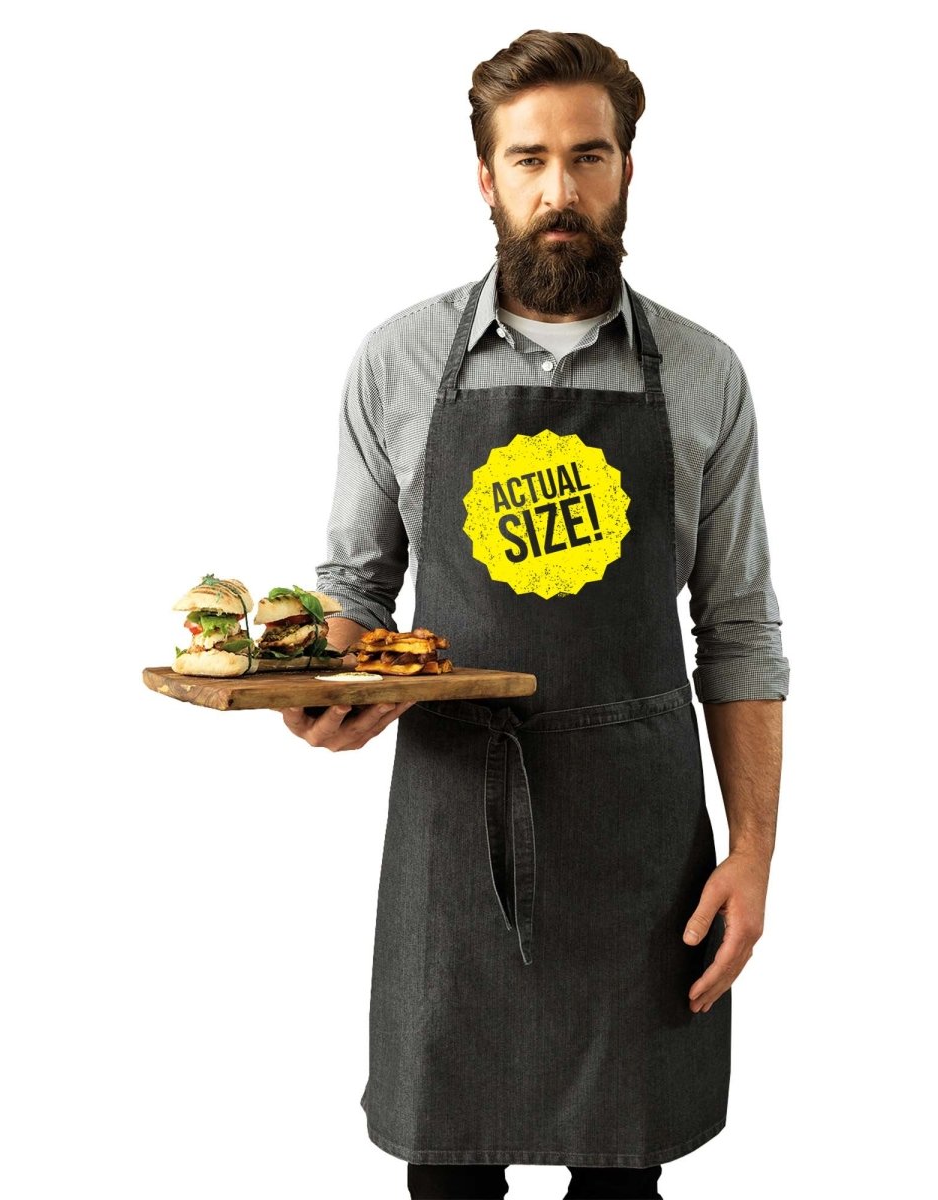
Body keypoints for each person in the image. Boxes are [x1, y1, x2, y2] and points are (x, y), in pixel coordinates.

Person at [281, 29, 789, 1200]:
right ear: (486, 178)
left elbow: (741, 629)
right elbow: (355, 593)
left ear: (626, 169)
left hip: (640, 853)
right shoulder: (401, 361)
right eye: (530, 159)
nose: (561, 189)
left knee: (622, 1183)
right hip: (456, 838)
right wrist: (323, 689)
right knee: (448, 1179)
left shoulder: (702, 375)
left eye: (588, 156)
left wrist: (754, 855)